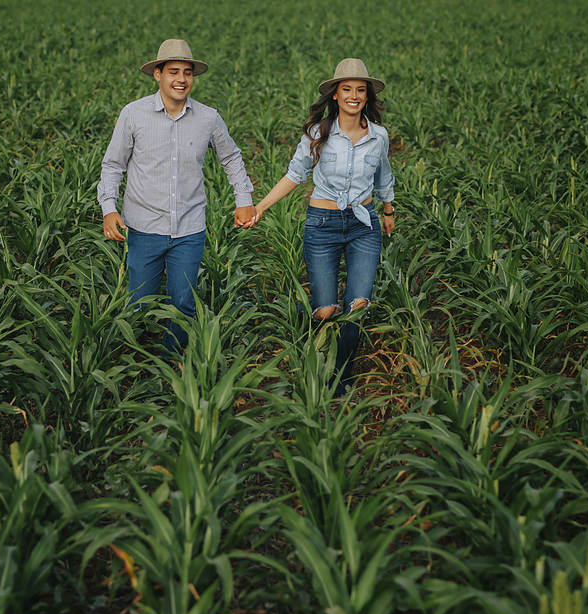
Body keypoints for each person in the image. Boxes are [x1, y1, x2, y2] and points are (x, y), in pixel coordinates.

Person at [98, 39, 257, 356]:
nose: (181, 79)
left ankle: (171, 364)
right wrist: (108, 209)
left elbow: (232, 159)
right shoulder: (133, 115)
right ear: (157, 74)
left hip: (189, 228)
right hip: (143, 226)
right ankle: (137, 365)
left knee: (183, 302)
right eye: (173, 72)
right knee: (139, 302)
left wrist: (244, 199)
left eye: (187, 72)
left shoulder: (208, 118)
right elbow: (113, 164)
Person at [249, 58, 395, 395]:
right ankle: (310, 315)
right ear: (335, 95)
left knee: (357, 306)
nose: (354, 96)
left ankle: (337, 379)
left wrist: (388, 210)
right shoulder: (318, 133)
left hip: (364, 225)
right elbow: (293, 175)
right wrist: (259, 207)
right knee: (327, 311)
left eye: (361, 90)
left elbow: (384, 176)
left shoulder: (379, 137)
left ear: (367, 97)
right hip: (322, 224)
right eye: (347, 90)